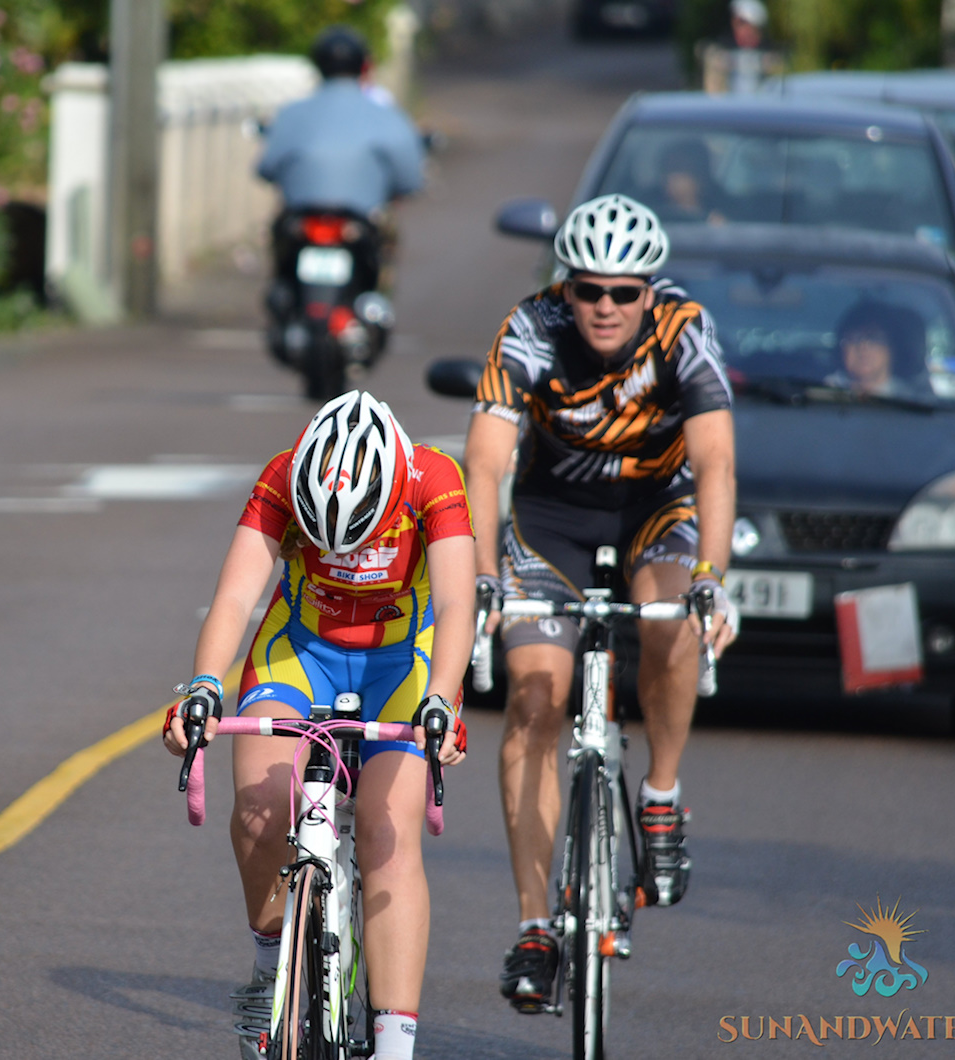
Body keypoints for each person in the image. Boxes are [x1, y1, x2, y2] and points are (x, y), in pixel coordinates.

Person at [461, 194, 740, 1012]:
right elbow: (484, 465)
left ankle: (659, 795)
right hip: (551, 522)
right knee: (535, 697)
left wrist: (710, 579)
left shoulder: (685, 328)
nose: (605, 308)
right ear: (566, 286)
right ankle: (535, 927)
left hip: (659, 510)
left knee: (671, 628)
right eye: (589, 290)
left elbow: (716, 462)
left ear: (651, 290)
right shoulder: (531, 327)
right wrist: (484, 577)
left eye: (624, 292)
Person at [163, 391, 473, 1060]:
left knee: (389, 838)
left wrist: (443, 701)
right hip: (303, 652)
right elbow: (237, 595)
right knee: (259, 809)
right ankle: (269, 963)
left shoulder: (432, 477)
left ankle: (394, 1047)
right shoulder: (282, 473)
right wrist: (205, 689)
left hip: (401, 661)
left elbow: (455, 602)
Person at [257, 26, 426, 219]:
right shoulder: (387, 114)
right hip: (359, 224)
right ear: (363, 66)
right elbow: (409, 179)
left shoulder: (290, 113)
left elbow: (266, 168)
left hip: (301, 223)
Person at [825, 301, 928, 399]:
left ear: (892, 348)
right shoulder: (822, 390)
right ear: (841, 349)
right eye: (854, 339)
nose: (863, 347)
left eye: (873, 338)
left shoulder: (910, 399)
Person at [700, 0, 785, 95]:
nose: (738, 27)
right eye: (736, 22)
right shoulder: (721, 50)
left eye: (743, 23)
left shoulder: (771, 53)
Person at [656, 138, 727, 224]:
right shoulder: (648, 212)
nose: (671, 178)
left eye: (680, 170)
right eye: (667, 170)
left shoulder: (725, 209)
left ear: (700, 176)